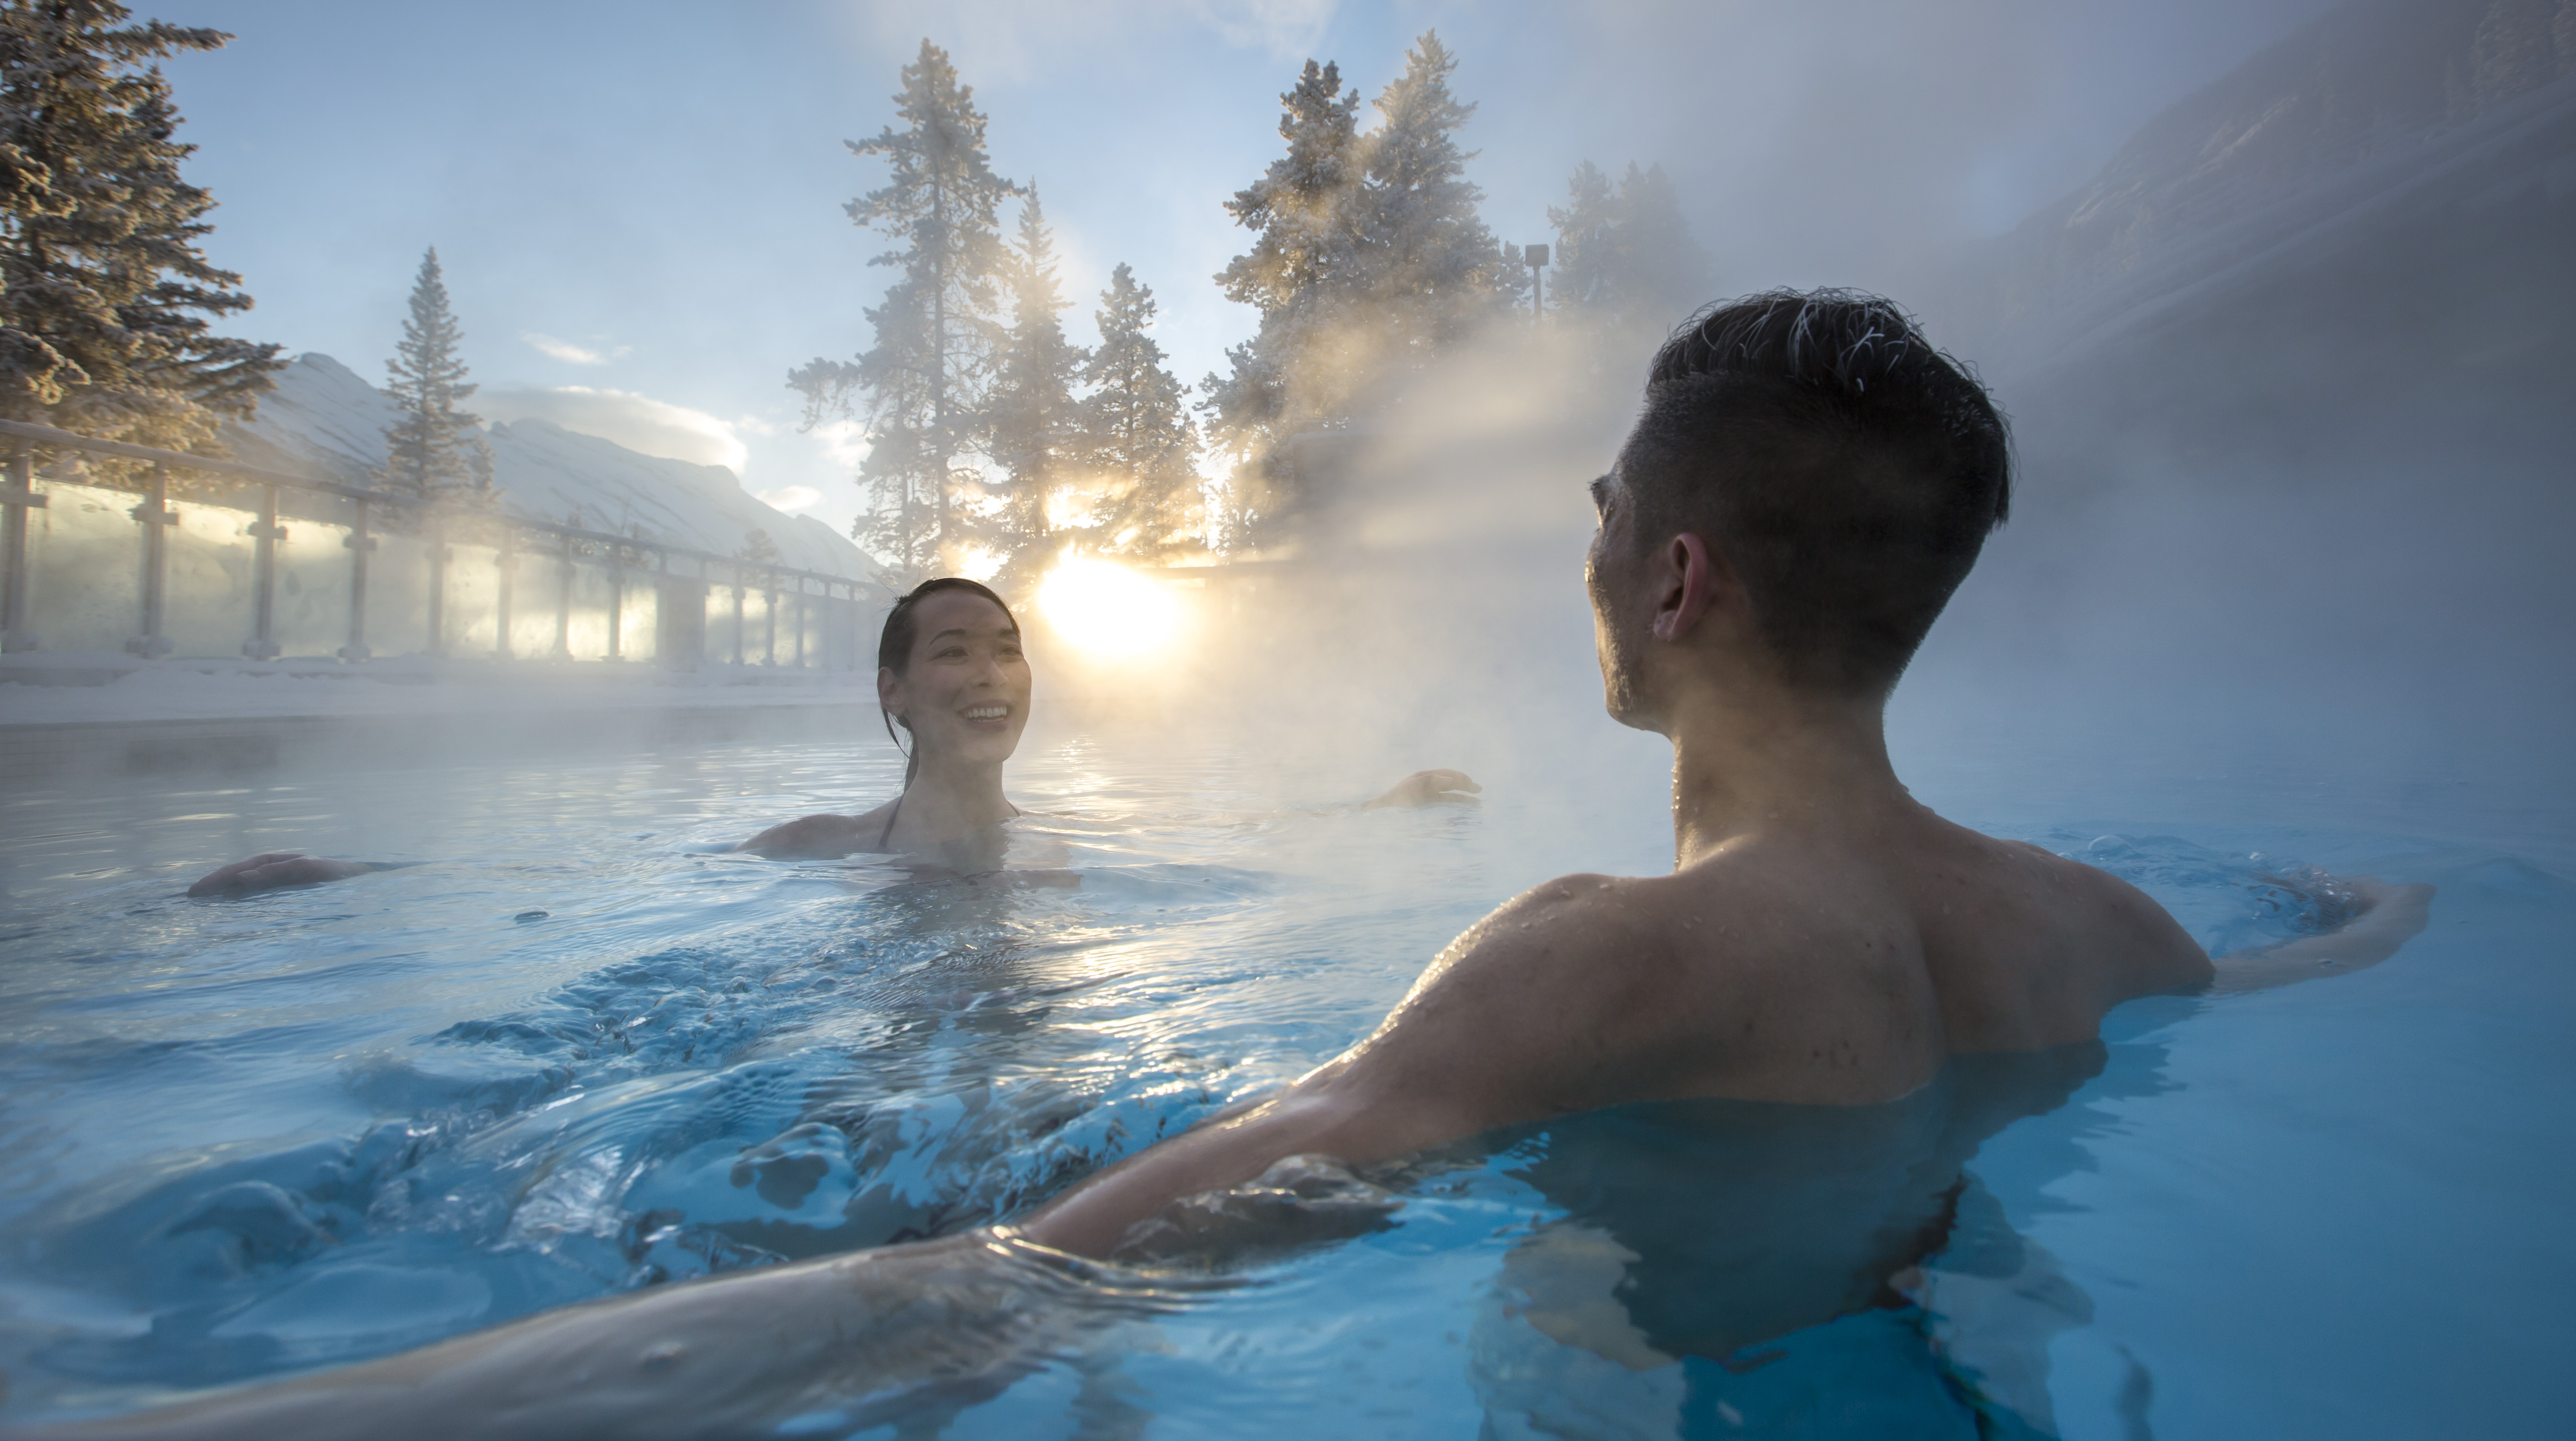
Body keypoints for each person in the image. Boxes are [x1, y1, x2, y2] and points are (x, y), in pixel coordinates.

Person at [89, 290, 2431, 1437]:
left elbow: (1026, 1283)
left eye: (1602, 521)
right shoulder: (2095, 928)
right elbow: (2299, 982)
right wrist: (2374, 911)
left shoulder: (1604, 963)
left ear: (1681, 585)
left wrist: (258, 1420)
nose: (1587, 558)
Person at [183, 576, 1478, 896]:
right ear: (895, 695)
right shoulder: (822, 845)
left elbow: (1226, 835)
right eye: (953, 651)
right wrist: (343, 876)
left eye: (1009, 648)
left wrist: (1381, 809)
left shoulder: (1069, 853)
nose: (991, 672)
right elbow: (613, 884)